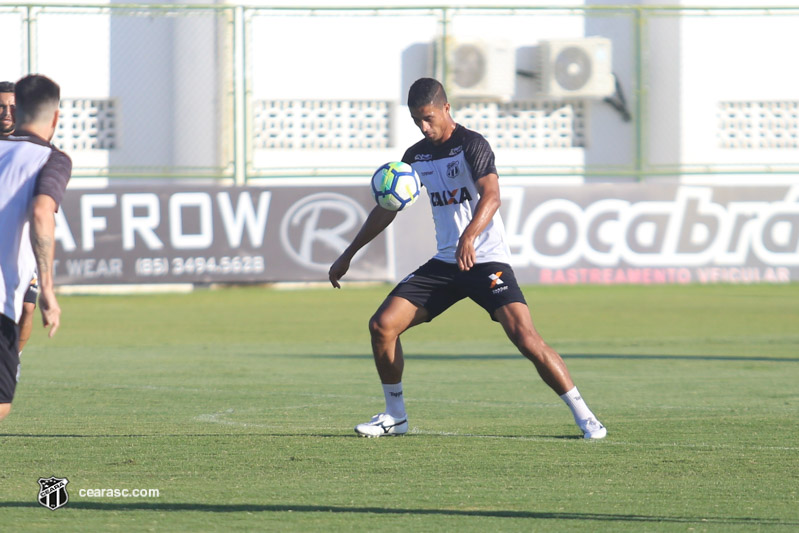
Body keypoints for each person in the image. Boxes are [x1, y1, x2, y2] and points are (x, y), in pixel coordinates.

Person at [329, 78, 606, 439]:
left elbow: (491, 196)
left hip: (486, 260)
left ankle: (585, 417)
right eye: (417, 122)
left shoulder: (471, 145)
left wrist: (470, 236)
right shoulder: (416, 157)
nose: (424, 127)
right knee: (382, 326)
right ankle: (395, 416)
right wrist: (349, 254)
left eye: (428, 118)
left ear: (446, 108)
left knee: (525, 336)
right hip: (447, 263)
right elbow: (386, 209)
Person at [0, 74, 71, 422]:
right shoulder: (50, 159)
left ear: (18, 109)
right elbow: (42, 211)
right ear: (55, 117)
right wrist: (48, 289)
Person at [0, 81, 39, 357]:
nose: (6, 113)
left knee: (28, 308)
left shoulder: (33, 146)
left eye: (13, 107)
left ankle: (14, 361)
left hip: (22, 243)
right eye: (1, 107)